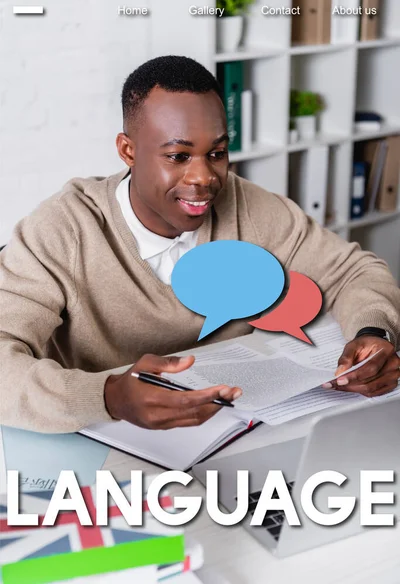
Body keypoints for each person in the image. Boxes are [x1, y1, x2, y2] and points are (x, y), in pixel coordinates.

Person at [0, 56, 399, 435]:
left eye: (217, 154)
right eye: (178, 155)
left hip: (238, 431)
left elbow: (355, 271)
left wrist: (374, 330)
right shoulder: (63, 229)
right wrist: (107, 397)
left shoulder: (249, 206)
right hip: (106, 439)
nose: (204, 177)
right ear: (128, 150)